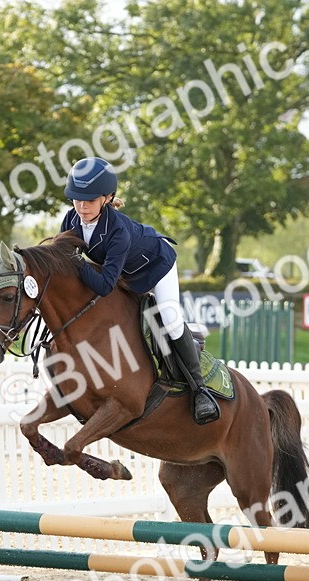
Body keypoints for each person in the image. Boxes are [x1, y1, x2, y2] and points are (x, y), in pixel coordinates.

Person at [59, 157, 219, 425]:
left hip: (156, 267)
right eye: (77, 199)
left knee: (169, 319)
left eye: (90, 200)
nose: (82, 206)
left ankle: (200, 390)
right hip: (125, 274)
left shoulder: (118, 230)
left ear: (108, 198)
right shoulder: (70, 220)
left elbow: (103, 284)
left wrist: (75, 262)